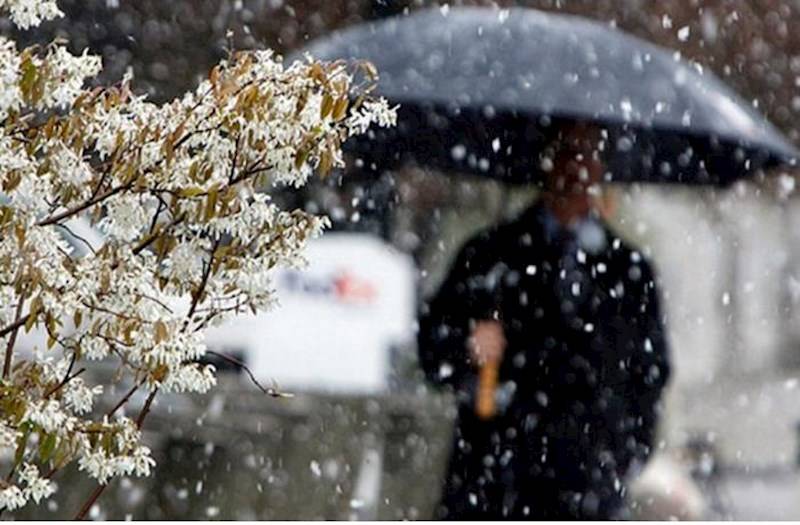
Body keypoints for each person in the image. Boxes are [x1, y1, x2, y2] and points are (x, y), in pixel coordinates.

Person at [418, 123, 671, 520]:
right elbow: (433, 348)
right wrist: (467, 345)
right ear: (545, 160)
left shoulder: (629, 271)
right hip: (494, 479)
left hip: (589, 482)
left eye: (588, 153)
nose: (576, 166)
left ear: (603, 167)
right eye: (567, 151)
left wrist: (625, 451)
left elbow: (650, 371)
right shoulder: (488, 255)